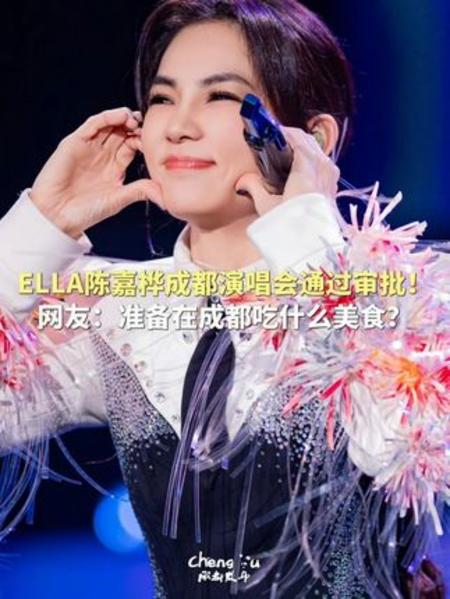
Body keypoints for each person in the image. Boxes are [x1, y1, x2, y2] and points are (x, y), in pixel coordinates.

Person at [0, 1, 447, 597]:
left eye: (220, 97)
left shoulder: (414, 294)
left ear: (314, 138)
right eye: (162, 99)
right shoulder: (112, 307)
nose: (178, 126)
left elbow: (403, 443)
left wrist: (306, 246)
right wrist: (39, 226)